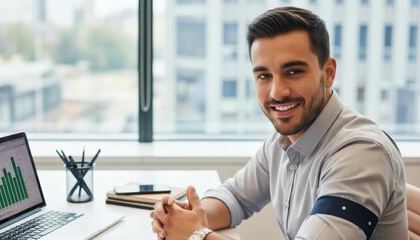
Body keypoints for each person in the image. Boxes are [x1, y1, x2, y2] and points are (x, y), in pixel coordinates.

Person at [150, 6, 408, 240]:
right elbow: (236, 197)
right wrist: (185, 216)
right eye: (264, 75)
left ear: (328, 73)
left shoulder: (362, 152)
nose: (277, 92)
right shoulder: (283, 140)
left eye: (293, 72)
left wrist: (196, 235)